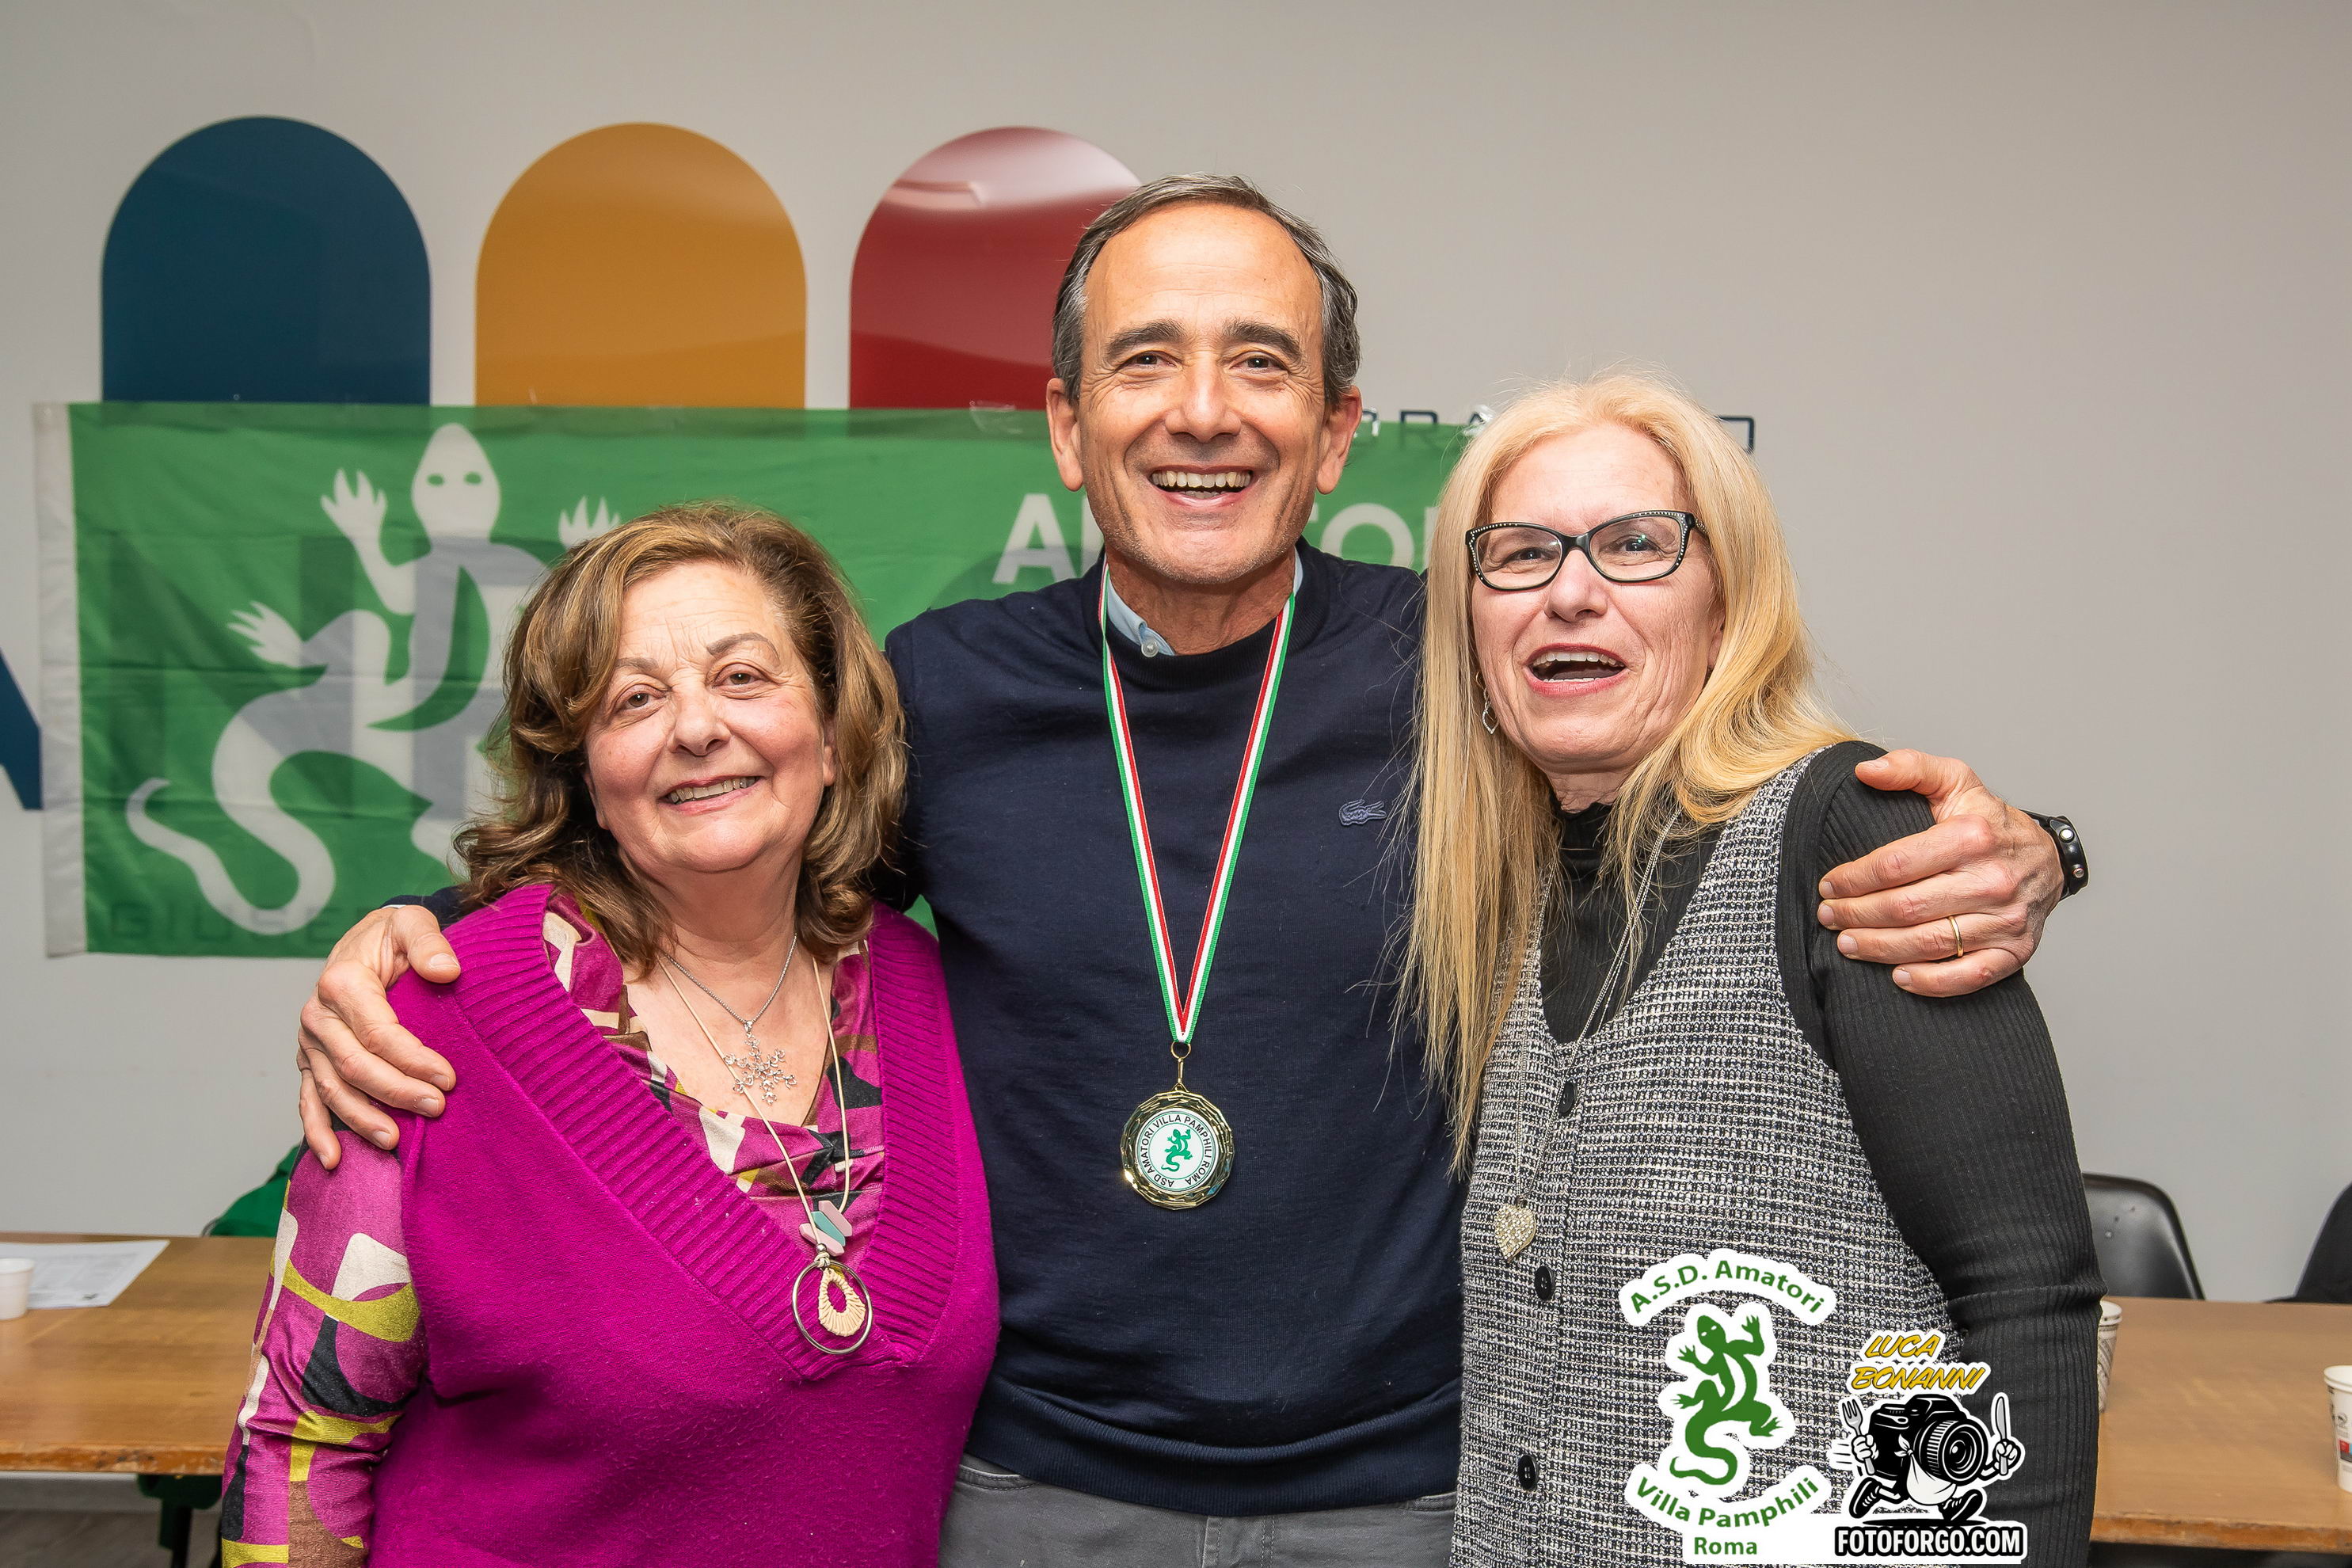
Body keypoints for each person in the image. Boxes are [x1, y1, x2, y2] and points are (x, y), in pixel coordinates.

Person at [285, 178, 2081, 1566]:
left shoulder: (1466, 664)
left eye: (1261, 363)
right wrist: (414, 940)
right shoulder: (940, 692)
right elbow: (715, 854)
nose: (1201, 412)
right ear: (1067, 426)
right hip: (1030, 1492)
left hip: (1414, 1496)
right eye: (1145, 361)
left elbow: (1710, 788)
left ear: (1337, 428)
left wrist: (2026, 848)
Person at [219, 504, 996, 1567]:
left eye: (742, 677)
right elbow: (300, 1444)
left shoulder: (940, 995)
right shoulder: (424, 1030)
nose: (695, 728)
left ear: (830, 732)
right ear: (584, 771)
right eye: (634, 699)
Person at [1408, 376, 2098, 1566]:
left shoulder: (1846, 836)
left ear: (1727, 600)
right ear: (1470, 620)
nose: (1570, 591)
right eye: (1519, 553)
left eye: (1636, 546)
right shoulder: (1504, 888)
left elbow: (2020, 1290)